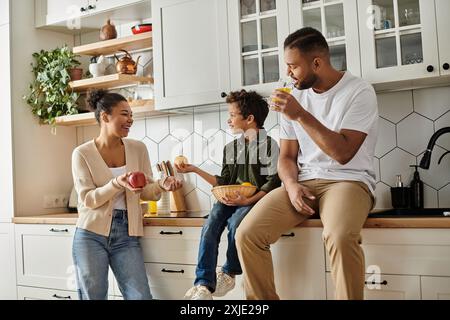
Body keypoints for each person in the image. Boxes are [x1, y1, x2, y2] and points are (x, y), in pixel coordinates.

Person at [236, 27, 378, 300]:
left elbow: (343, 152)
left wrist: (299, 115)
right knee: (247, 234)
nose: (288, 74)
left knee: (338, 236)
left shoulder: (359, 92)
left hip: (348, 181)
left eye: (293, 67)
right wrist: (290, 185)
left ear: (317, 63)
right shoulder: (295, 96)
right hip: (303, 182)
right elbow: (287, 157)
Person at [71, 90, 182, 300]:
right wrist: (116, 183)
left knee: (140, 296)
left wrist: (161, 185)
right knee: (93, 296)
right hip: (90, 234)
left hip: (127, 233)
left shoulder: (138, 148)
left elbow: (147, 191)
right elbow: (88, 199)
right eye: (124, 114)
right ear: (105, 116)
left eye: (131, 115)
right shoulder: (82, 153)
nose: (130, 120)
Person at [176, 90, 281, 300]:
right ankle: (204, 284)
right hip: (231, 198)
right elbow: (224, 182)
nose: (229, 119)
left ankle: (229, 273)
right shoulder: (231, 148)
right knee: (211, 224)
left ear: (249, 118)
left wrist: (248, 200)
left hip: (254, 200)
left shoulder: (270, 145)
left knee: (236, 224)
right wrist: (195, 170)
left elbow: (273, 182)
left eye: (232, 115)